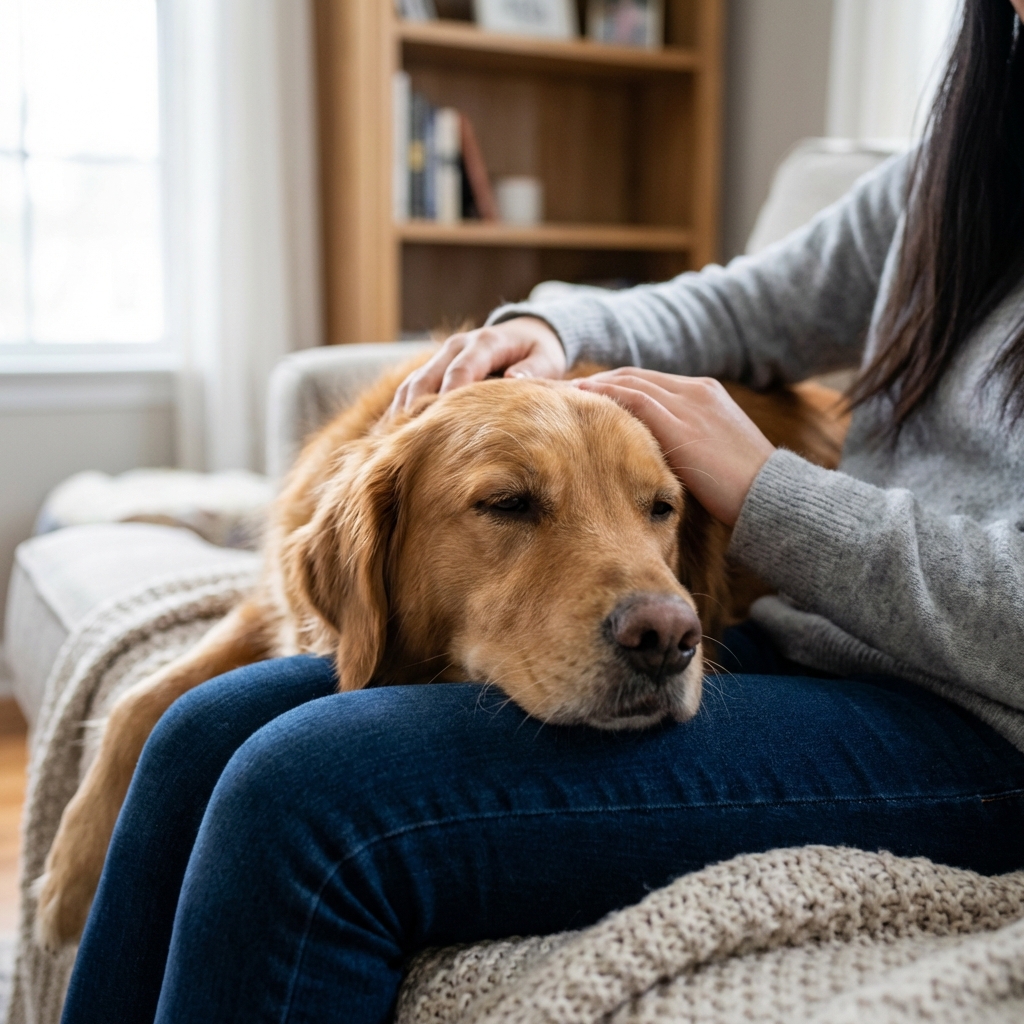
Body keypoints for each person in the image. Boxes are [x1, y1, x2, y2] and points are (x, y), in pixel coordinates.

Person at [61, 2, 1024, 1021]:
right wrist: (549, 326)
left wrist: (766, 495)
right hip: (834, 651)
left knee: (299, 795)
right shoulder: (967, 158)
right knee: (199, 730)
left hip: (982, 728)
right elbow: (737, 308)